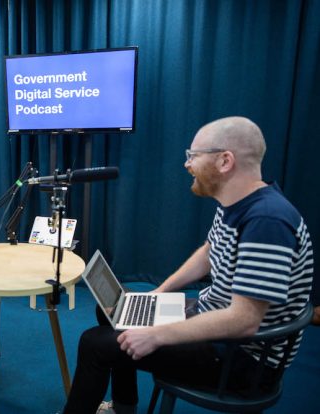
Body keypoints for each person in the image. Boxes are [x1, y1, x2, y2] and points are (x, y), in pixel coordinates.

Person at [63, 116, 314, 414]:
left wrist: (155, 335)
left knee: (94, 343)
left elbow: (244, 321)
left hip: (240, 360)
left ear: (224, 161)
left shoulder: (267, 221)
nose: (187, 164)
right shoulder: (240, 203)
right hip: (216, 325)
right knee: (116, 306)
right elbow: (209, 252)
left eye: (193, 156)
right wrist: (160, 291)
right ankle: (124, 406)